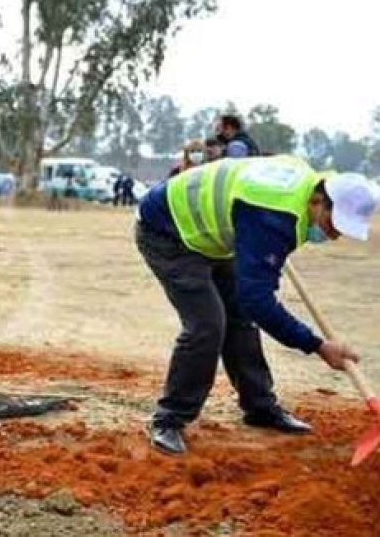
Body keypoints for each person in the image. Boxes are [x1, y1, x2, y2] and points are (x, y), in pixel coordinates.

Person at [136, 155, 372, 455]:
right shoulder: (273, 217)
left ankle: (260, 407)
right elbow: (259, 300)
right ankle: (169, 420)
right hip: (168, 231)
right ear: (317, 201)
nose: (335, 235)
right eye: (333, 224)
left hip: (216, 234)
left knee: (241, 317)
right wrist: (316, 345)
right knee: (208, 325)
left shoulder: (303, 188)